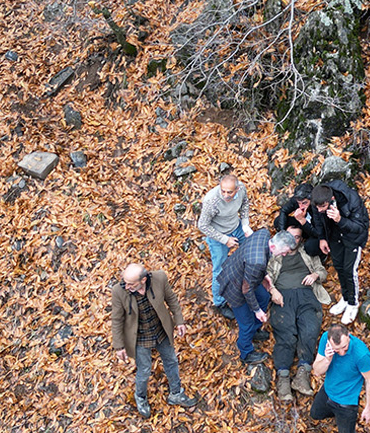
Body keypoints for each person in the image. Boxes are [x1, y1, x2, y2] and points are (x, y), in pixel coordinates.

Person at [110, 263, 198, 417]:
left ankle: (176, 393)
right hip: (139, 337)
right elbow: (116, 320)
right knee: (144, 370)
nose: (126, 286)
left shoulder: (159, 278)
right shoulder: (119, 291)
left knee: (171, 361)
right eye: (125, 282)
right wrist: (119, 346)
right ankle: (140, 397)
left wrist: (179, 321)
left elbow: (171, 299)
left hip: (161, 331)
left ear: (143, 280)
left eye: (131, 284)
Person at [266, 226, 329, 401]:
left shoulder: (308, 252)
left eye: (297, 237)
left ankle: (303, 374)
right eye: (291, 236)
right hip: (283, 295)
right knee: (285, 333)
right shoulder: (276, 253)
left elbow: (322, 271)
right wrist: (272, 291)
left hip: (306, 294)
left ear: (301, 239)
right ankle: (284, 378)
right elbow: (266, 275)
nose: (293, 240)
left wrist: (316, 275)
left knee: (309, 329)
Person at [219, 229, 297, 365]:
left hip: (246, 274)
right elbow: (246, 290)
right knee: (246, 323)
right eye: (283, 252)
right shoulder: (257, 262)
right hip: (235, 287)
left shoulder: (265, 234)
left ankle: (254, 331)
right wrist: (257, 311)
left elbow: (255, 266)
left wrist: (264, 275)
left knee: (264, 296)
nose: (284, 255)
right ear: (273, 246)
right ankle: (246, 352)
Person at [310, 323, 370, 433]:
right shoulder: (326, 340)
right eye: (337, 349)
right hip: (328, 391)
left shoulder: (361, 354)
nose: (341, 352)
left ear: (349, 336)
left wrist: (368, 407)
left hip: (347, 403)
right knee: (315, 414)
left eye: (344, 348)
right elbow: (317, 371)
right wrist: (328, 358)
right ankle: (336, 417)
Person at [309, 181, 369, 326]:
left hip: (352, 238)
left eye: (322, 207)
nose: (319, 209)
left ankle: (353, 303)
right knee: (339, 267)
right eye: (316, 207)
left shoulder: (351, 200)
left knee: (349, 270)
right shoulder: (318, 201)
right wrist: (322, 238)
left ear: (332, 200)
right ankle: (346, 297)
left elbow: (359, 227)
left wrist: (339, 219)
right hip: (334, 236)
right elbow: (317, 220)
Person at [199, 171, 252, 319]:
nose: (226, 195)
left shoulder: (241, 189)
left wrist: (245, 224)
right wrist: (224, 239)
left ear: (236, 189)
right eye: (223, 191)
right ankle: (220, 302)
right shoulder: (212, 201)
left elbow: (245, 204)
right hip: (218, 235)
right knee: (219, 270)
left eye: (229, 192)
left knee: (249, 255)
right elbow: (203, 225)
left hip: (237, 227)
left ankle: (248, 285)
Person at [274, 183, 326, 258]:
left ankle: (322, 255)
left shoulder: (318, 206)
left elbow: (319, 233)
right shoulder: (298, 200)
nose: (301, 206)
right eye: (299, 203)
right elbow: (284, 211)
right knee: (278, 221)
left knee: (310, 247)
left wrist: (302, 220)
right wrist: (283, 232)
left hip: (317, 232)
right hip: (304, 225)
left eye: (305, 203)